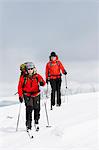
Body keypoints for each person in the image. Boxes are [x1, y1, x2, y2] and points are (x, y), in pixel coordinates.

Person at [18, 62, 46, 131]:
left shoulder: (37, 76)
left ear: (34, 69)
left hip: (36, 94)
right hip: (27, 95)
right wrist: (20, 96)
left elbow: (43, 83)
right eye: (28, 69)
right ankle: (28, 124)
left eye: (31, 69)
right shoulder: (23, 77)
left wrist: (42, 83)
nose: (30, 70)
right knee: (29, 109)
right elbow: (20, 87)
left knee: (37, 108)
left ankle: (36, 122)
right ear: (26, 70)